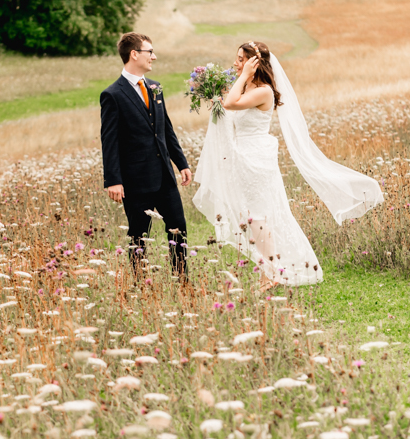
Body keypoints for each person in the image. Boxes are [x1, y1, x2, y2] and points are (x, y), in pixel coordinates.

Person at [193, 41, 384, 292]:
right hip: (242, 159)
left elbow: (230, 104)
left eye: (241, 59)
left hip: (257, 160)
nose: (235, 64)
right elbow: (229, 112)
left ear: (254, 63)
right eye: (237, 59)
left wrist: (241, 79)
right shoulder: (246, 88)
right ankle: (268, 270)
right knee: (250, 217)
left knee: (257, 216)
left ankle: (272, 272)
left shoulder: (264, 91)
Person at [100, 32, 193, 279]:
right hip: (135, 180)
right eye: (149, 51)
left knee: (178, 230)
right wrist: (113, 180)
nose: (154, 56)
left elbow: (166, 129)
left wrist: (181, 163)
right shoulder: (113, 94)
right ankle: (141, 285)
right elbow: (109, 141)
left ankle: (182, 279)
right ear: (134, 54)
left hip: (164, 175)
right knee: (138, 235)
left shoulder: (155, 87)